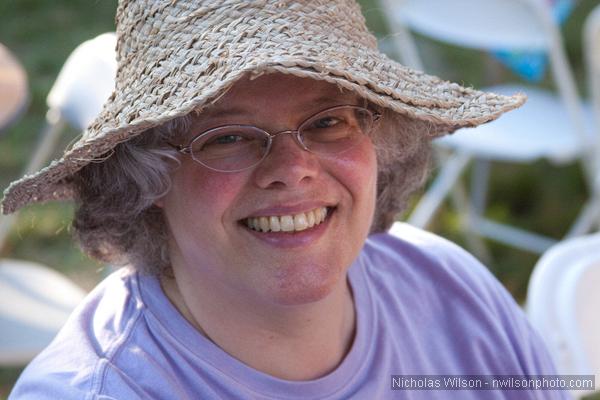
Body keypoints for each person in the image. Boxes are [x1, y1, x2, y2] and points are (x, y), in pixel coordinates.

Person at [3, 1, 568, 399]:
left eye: (327, 122)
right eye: (226, 137)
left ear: (378, 139)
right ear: (148, 180)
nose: (292, 170)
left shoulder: (453, 294)